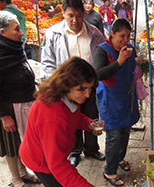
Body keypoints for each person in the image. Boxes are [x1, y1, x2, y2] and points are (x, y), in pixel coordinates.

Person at [19, 57, 103, 187]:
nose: (88, 94)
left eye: (90, 88)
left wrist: (89, 124)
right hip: (40, 160)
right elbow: (56, 165)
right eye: (82, 88)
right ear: (67, 84)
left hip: (41, 155)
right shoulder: (52, 115)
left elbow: (74, 116)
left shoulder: (65, 98)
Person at [41, 0, 106, 167]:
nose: (75, 20)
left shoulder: (95, 33)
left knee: (91, 116)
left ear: (83, 14)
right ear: (63, 13)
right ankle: (74, 151)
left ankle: (91, 149)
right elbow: (48, 63)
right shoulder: (53, 34)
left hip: (90, 87)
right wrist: (57, 85)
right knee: (71, 119)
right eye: (71, 16)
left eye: (79, 16)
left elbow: (103, 56)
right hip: (66, 89)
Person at [93, 19, 140, 187]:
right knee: (113, 137)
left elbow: (133, 68)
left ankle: (120, 158)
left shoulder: (130, 50)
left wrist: (138, 71)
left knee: (125, 132)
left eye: (128, 36)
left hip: (126, 99)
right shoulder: (102, 50)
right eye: (122, 36)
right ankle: (109, 170)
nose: (126, 40)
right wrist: (119, 62)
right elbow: (99, 74)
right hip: (110, 101)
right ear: (111, 34)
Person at [0, 11, 39, 187]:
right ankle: (15, 179)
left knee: (21, 141)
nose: (21, 32)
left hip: (22, 102)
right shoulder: (0, 54)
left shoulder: (14, 47)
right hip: (7, 107)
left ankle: (23, 173)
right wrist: (3, 115)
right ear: (2, 32)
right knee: (11, 144)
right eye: (16, 29)